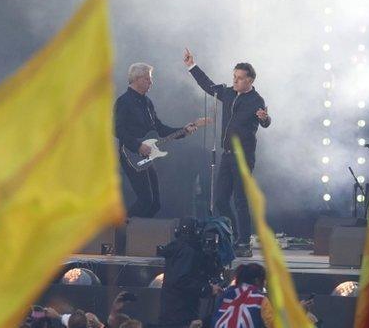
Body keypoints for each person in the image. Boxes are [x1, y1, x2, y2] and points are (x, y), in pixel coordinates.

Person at [184, 49, 271, 257]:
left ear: (249, 80)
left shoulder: (256, 100)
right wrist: (191, 66)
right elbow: (208, 85)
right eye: (234, 77)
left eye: (240, 78)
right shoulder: (228, 93)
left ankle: (244, 242)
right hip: (227, 154)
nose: (235, 81)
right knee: (221, 199)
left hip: (243, 157)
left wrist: (264, 118)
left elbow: (266, 121)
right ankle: (232, 234)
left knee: (241, 200)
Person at [114, 63, 197, 219]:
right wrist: (138, 146)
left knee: (155, 204)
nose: (151, 83)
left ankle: (138, 236)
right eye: (147, 79)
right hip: (130, 155)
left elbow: (160, 129)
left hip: (146, 157)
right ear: (136, 79)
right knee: (146, 200)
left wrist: (183, 131)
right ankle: (119, 232)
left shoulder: (147, 103)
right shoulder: (124, 101)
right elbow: (117, 129)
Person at [158, 217, 222, 327]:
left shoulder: (177, 249)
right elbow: (181, 280)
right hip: (181, 315)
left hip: (171, 313)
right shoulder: (188, 252)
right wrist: (207, 289)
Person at [211, 263, 273, 328]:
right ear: (257, 280)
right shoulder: (260, 299)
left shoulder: (225, 295)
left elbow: (215, 316)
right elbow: (271, 323)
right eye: (264, 280)